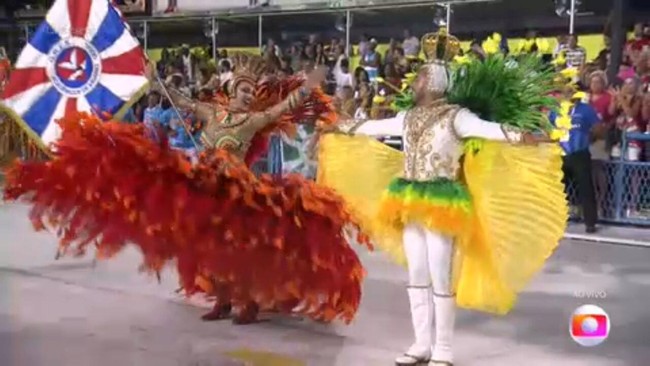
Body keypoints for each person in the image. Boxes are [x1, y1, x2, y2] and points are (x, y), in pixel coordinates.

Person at [5, 54, 370, 327]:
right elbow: (179, 101)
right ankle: (222, 301)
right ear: (229, 91)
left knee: (236, 252)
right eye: (241, 89)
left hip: (238, 194)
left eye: (250, 90)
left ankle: (248, 304)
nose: (246, 94)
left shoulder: (251, 120)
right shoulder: (212, 114)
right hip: (206, 189)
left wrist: (305, 90)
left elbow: (281, 109)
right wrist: (155, 80)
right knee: (210, 250)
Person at [317, 30, 567, 366]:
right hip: (407, 197)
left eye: (421, 76)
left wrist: (529, 137)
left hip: (443, 202)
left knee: (440, 274)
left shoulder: (457, 117)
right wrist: (340, 127)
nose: (415, 81)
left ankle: (443, 349)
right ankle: (421, 344)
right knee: (417, 273)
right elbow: (375, 128)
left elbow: (492, 131)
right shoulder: (409, 117)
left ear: (435, 81)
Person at [551, 86, 601, 233]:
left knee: (586, 188)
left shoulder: (586, 109)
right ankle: (555, 221)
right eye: (565, 91)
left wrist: (589, 137)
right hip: (560, 154)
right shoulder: (556, 111)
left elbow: (598, 128)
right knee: (556, 189)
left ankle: (590, 223)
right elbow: (548, 128)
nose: (567, 94)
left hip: (579, 154)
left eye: (571, 91)